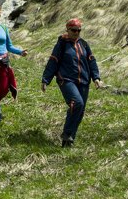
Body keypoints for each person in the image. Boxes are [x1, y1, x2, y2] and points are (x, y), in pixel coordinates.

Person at [41, 19, 101, 147]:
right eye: (74, 30)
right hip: (66, 80)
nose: (76, 33)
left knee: (80, 110)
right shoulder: (62, 44)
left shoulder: (84, 44)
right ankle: (67, 132)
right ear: (67, 30)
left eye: (79, 30)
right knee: (76, 103)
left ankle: (69, 140)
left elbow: (92, 61)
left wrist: (96, 78)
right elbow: (53, 61)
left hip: (84, 81)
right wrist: (46, 79)